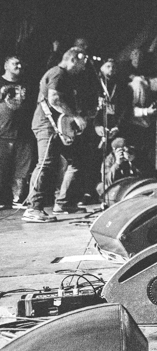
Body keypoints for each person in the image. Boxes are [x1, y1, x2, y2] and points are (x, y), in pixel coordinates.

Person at [23, 47, 90, 222]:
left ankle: (63, 203)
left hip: (59, 127)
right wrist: (75, 116)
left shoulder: (65, 77)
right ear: (73, 59)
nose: (84, 67)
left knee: (76, 160)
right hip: (47, 125)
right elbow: (54, 99)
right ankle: (33, 208)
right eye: (82, 62)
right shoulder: (57, 73)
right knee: (45, 163)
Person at [0, 55, 33, 207]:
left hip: (23, 134)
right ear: (6, 66)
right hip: (3, 133)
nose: (19, 66)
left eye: (20, 64)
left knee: (22, 170)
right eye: (15, 63)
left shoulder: (26, 84)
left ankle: (18, 198)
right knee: (2, 169)